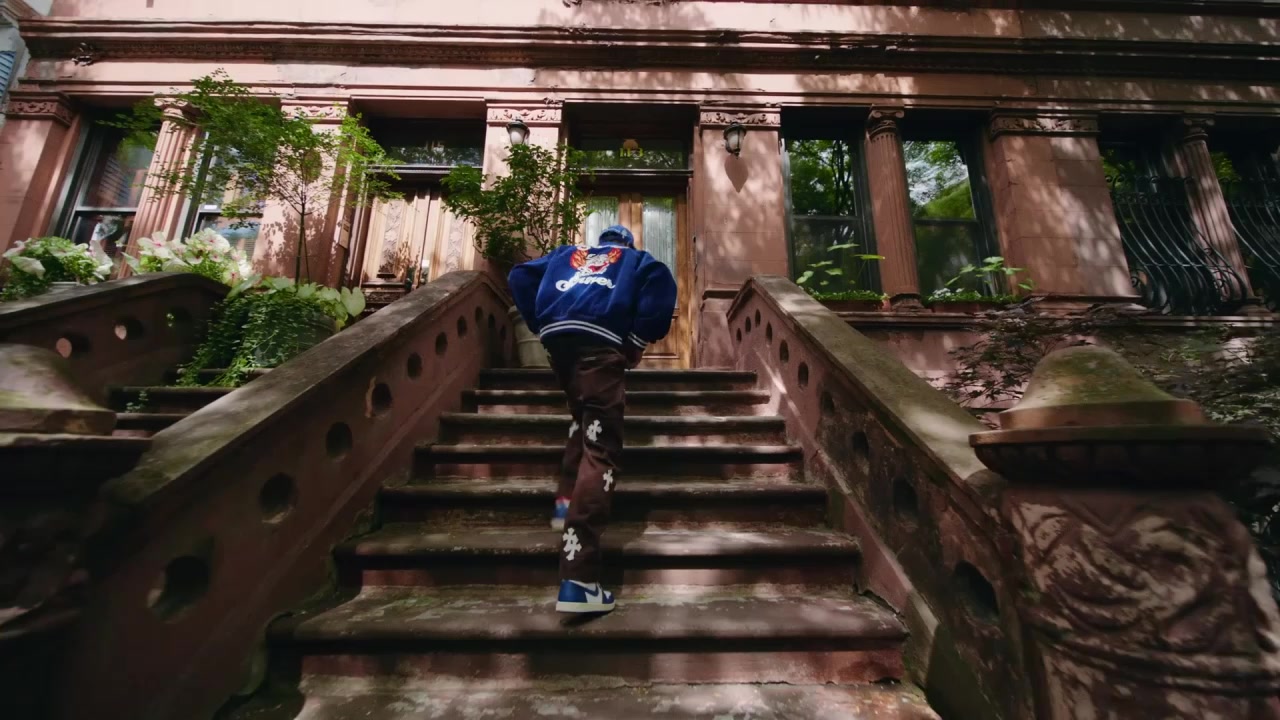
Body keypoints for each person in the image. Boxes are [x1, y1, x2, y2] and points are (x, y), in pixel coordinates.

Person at [508, 225, 677, 614]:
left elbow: (519, 275)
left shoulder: (565, 254)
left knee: (584, 420)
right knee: (602, 450)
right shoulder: (635, 260)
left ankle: (565, 501)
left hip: (561, 346)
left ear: (601, 244)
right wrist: (637, 340)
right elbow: (661, 285)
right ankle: (579, 580)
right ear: (626, 244)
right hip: (600, 346)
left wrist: (540, 323)